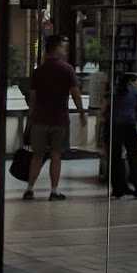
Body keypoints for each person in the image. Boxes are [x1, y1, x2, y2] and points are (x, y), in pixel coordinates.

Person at [23, 35, 85, 201]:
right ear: (57, 49)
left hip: (39, 121)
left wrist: (30, 119)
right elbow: (75, 93)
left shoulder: (38, 71)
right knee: (56, 155)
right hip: (59, 120)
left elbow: (33, 99)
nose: (64, 51)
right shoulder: (67, 69)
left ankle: (29, 189)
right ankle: (54, 191)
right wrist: (81, 113)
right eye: (63, 48)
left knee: (37, 155)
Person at [109, 71, 137, 199]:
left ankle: (118, 188)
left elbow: (106, 109)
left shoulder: (113, 93)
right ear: (131, 82)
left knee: (116, 158)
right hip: (129, 127)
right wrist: (134, 122)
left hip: (115, 126)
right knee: (133, 157)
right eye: (136, 81)